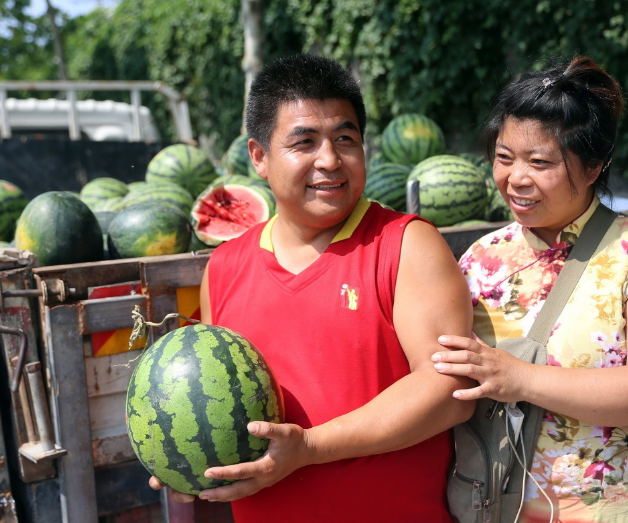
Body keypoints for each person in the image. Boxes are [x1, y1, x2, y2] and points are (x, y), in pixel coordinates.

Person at [150, 54, 475, 522]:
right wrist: (187, 461)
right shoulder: (223, 266)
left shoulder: (406, 243)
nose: (329, 160)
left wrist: (309, 447)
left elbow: (449, 387)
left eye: (345, 139)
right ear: (259, 157)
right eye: (304, 142)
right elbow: (209, 409)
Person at [431, 56, 628, 522]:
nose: (516, 178)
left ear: (594, 165)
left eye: (541, 162)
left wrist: (519, 378)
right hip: (507, 506)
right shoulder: (479, 258)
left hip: (626, 507)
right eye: (504, 157)